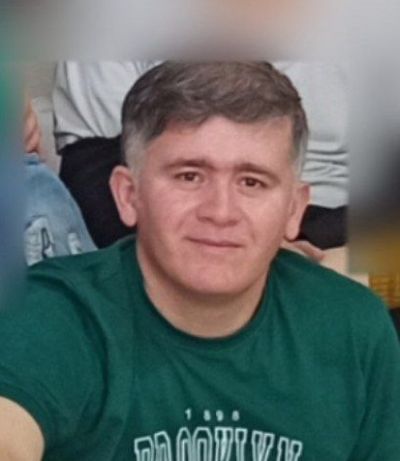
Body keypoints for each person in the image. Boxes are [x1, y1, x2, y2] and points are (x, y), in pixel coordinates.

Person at [1, 62, 399, 461]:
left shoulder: (354, 327)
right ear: (127, 194)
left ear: (294, 210)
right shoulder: (54, 315)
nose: (220, 212)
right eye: (189, 176)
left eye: (251, 182)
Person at [52, 61, 348, 252]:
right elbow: (92, 176)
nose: (222, 213)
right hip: (170, 238)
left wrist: (304, 244)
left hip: (339, 239)